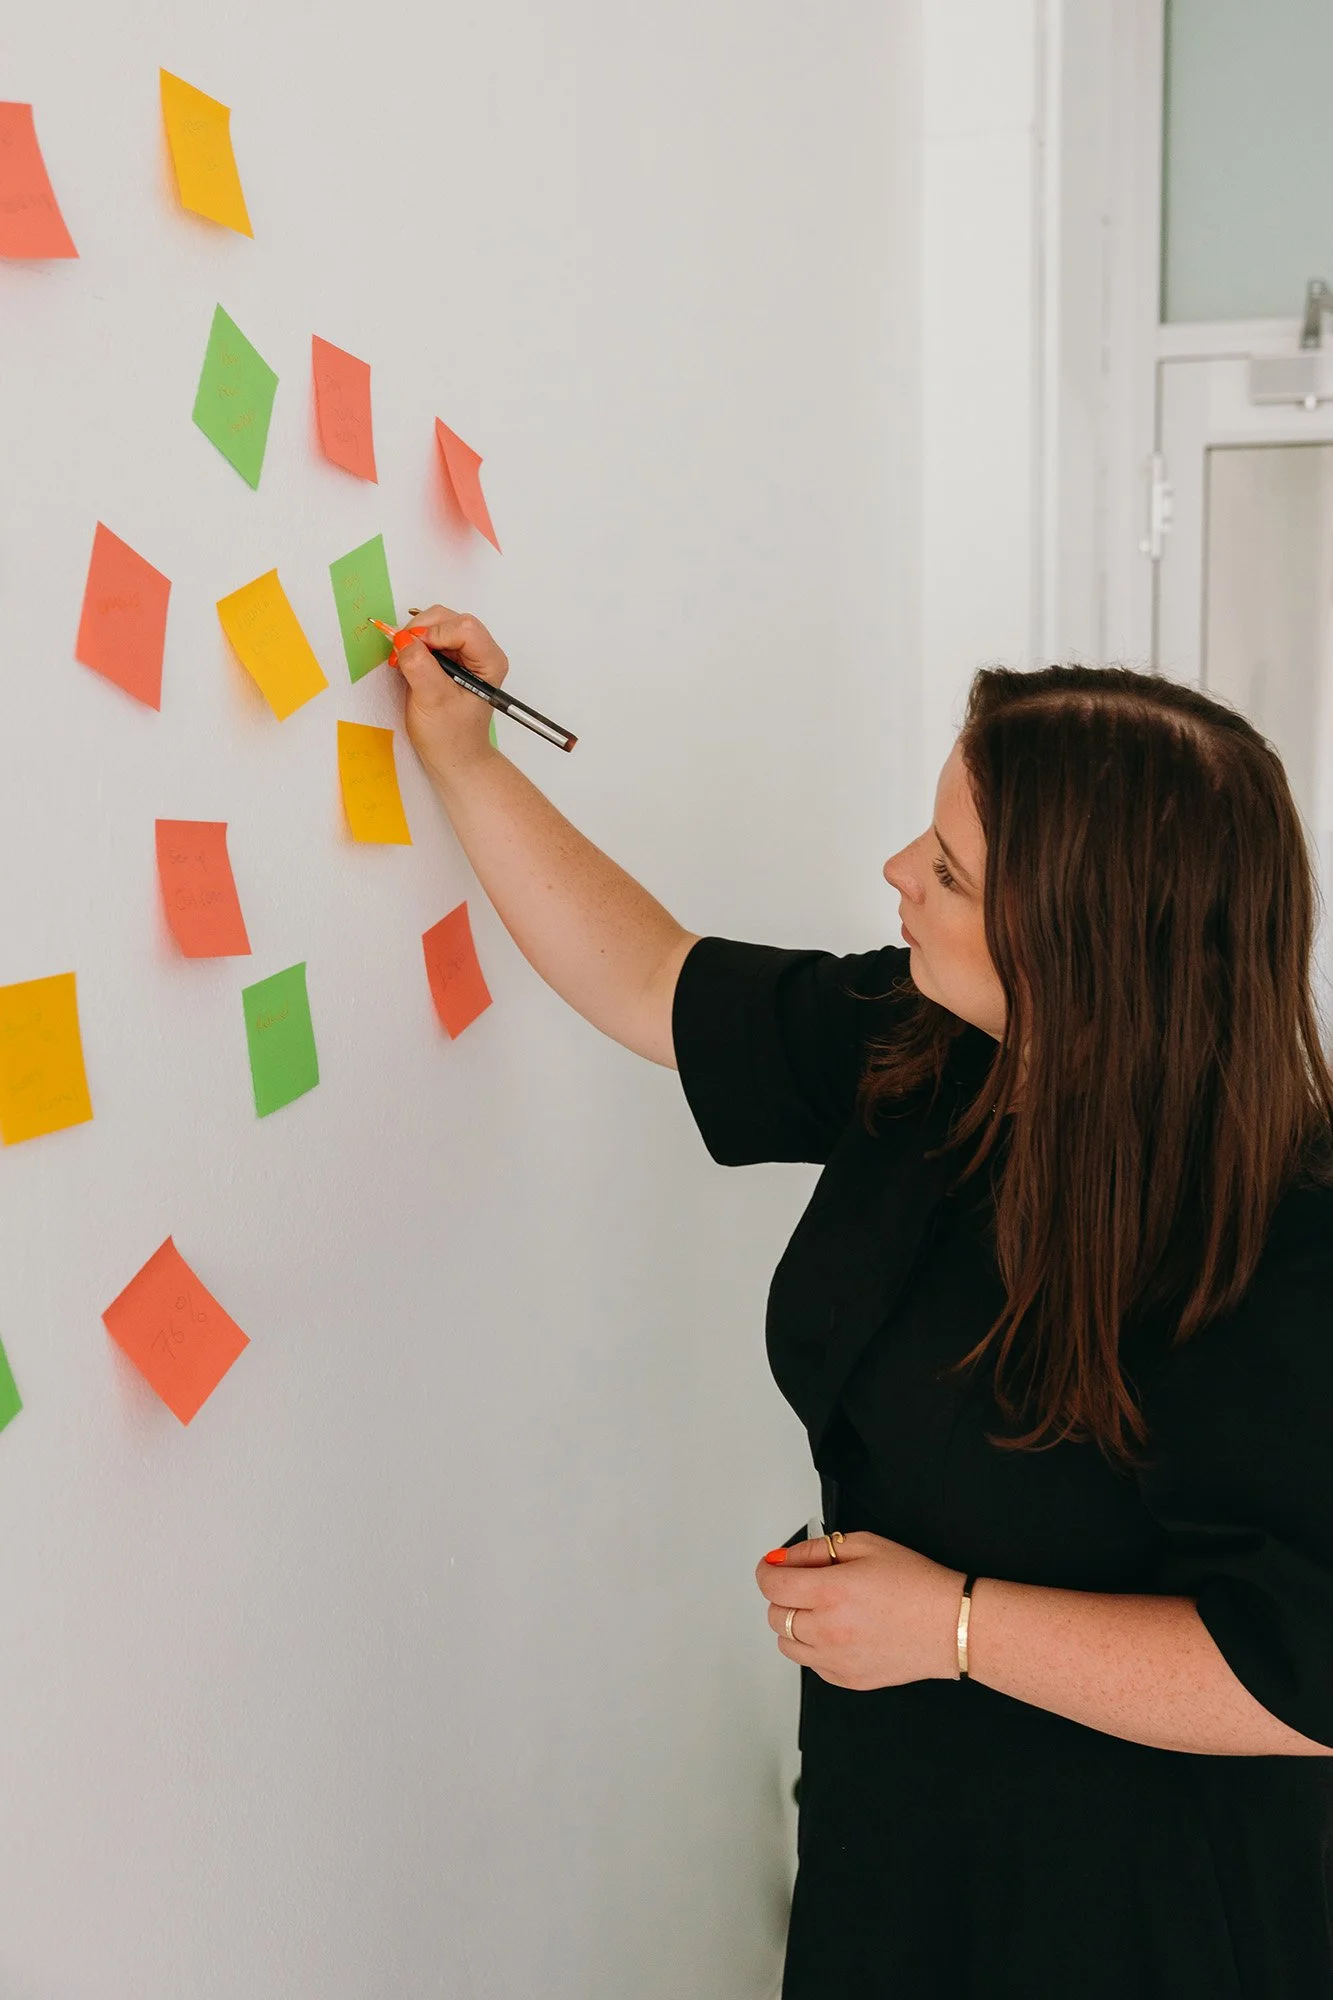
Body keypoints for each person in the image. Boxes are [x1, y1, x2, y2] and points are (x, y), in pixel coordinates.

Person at [390, 607, 1333, 1999]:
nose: (896, 873)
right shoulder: (938, 1050)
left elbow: (1301, 1678)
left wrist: (953, 1624)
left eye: (946, 872)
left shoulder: (1284, 1233)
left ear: (1078, 950)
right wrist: (466, 760)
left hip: (1148, 1892)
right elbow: (656, 981)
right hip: (896, 1818)